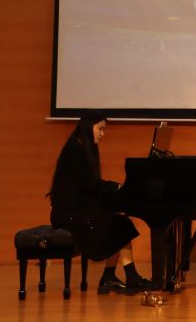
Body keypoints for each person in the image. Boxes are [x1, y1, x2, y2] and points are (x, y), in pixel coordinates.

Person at [48, 111, 153, 295]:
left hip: (77, 210)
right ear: (88, 127)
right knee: (120, 224)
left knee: (119, 223)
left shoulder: (84, 148)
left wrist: (113, 191)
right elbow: (90, 183)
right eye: (100, 129)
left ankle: (111, 277)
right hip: (68, 215)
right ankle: (128, 277)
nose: (103, 134)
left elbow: (90, 186)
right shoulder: (74, 150)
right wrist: (117, 186)